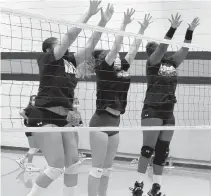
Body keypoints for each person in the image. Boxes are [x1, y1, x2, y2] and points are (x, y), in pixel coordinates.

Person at [26, 1, 102, 196]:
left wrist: (101, 22)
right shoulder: (47, 59)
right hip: (45, 114)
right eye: (58, 45)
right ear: (48, 50)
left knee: (73, 165)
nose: (65, 47)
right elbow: (68, 37)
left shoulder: (70, 61)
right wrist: (88, 14)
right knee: (56, 166)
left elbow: (90, 46)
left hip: (65, 118)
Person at [76, 6, 153, 196]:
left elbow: (133, 50)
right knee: (97, 168)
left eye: (118, 56)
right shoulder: (104, 68)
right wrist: (124, 24)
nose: (118, 56)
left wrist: (142, 29)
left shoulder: (122, 67)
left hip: (115, 123)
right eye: (114, 56)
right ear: (104, 60)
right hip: (101, 122)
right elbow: (116, 46)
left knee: (108, 169)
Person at [130, 13, 200, 196]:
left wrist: (189, 32)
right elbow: (162, 47)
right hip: (152, 109)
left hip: (169, 112)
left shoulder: (171, 62)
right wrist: (172, 29)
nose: (160, 51)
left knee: (163, 151)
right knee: (148, 149)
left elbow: (185, 49)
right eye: (155, 49)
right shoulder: (152, 63)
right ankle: (138, 185)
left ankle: (156, 187)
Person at [16, 95, 41, 172]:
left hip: (35, 130)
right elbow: (21, 112)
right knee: (33, 148)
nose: (35, 101)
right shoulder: (30, 108)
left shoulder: (37, 109)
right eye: (33, 100)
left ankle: (22, 159)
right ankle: (29, 166)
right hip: (30, 131)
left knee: (36, 148)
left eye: (36, 99)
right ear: (30, 101)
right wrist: (27, 119)